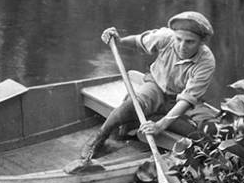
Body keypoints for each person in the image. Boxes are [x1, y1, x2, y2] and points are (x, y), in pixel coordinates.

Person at [86, 10, 216, 158]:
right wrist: (119, 41)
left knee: (205, 131)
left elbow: (187, 99)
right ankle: (98, 140)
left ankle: (153, 118)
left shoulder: (206, 61)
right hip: (156, 86)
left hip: (181, 100)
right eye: (179, 39)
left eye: (190, 42)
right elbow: (137, 42)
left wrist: (159, 126)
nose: (182, 46)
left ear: (201, 42)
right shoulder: (166, 37)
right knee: (134, 104)